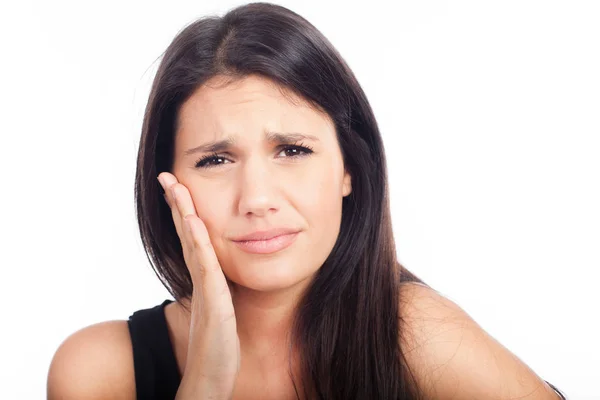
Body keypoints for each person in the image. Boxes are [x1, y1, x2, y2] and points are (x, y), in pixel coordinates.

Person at [46, 2, 567, 399]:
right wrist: (204, 382)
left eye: (292, 150)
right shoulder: (99, 370)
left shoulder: (418, 335)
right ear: (167, 184)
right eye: (215, 160)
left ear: (349, 170)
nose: (258, 198)